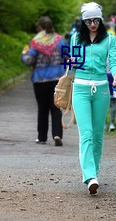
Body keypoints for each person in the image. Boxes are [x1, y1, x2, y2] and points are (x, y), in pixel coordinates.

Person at [70, 2, 116, 194]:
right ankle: (90, 176)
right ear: (83, 21)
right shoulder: (75, 38)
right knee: (87, 133)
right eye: (89, 21)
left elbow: (113, 61)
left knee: (98, 135)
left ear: (101, 20)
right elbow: (71, 65)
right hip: (81, 89)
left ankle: (95, 171)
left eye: (96, 20)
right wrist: (71, 63)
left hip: (101, 90)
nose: (93, 24)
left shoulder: (109, 39)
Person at [21, 16, 68, 146]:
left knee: (42, 109)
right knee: (56, 107)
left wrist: (24, 54)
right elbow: (68, 57)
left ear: (40, 28)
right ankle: (57, 134)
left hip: (40, 80)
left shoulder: (36, 42)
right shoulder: (61, 40)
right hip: (57, 80)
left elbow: (29, 61)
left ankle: (42, 138)